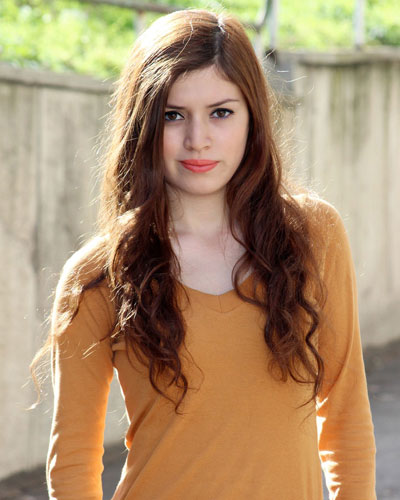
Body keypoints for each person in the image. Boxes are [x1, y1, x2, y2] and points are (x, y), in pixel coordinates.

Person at [32, 8, 376, 500]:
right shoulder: (98, 274)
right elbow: (71, 464)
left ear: (252, 116)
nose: (198, 140)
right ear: (143, 123)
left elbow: (345, 417)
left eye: (221, 112)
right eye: (173, 115)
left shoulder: (313, 236)